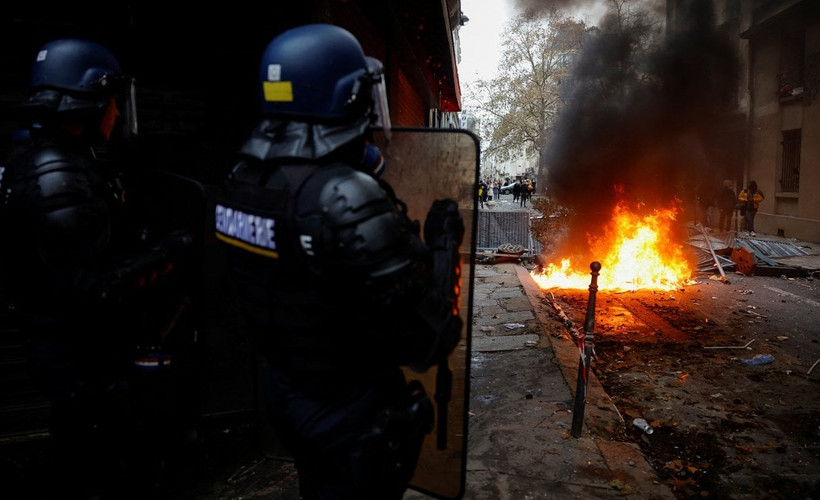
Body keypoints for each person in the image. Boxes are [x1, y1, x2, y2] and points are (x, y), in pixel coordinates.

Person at [214, 24, 464, 500]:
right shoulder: (343, 198)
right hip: (350, 414)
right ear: (347, 97)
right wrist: (443, 245)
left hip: (288, 395)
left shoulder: (243, 180)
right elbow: (430, 340)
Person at [0, 38, 200, 498]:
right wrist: (169, 254)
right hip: (77, 357)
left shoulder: (49, 157)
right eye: (112, 102)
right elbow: (93, 290)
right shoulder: (57, 177)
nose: (116, 113)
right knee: (100, 467)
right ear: (89, 101)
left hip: (72, 349)